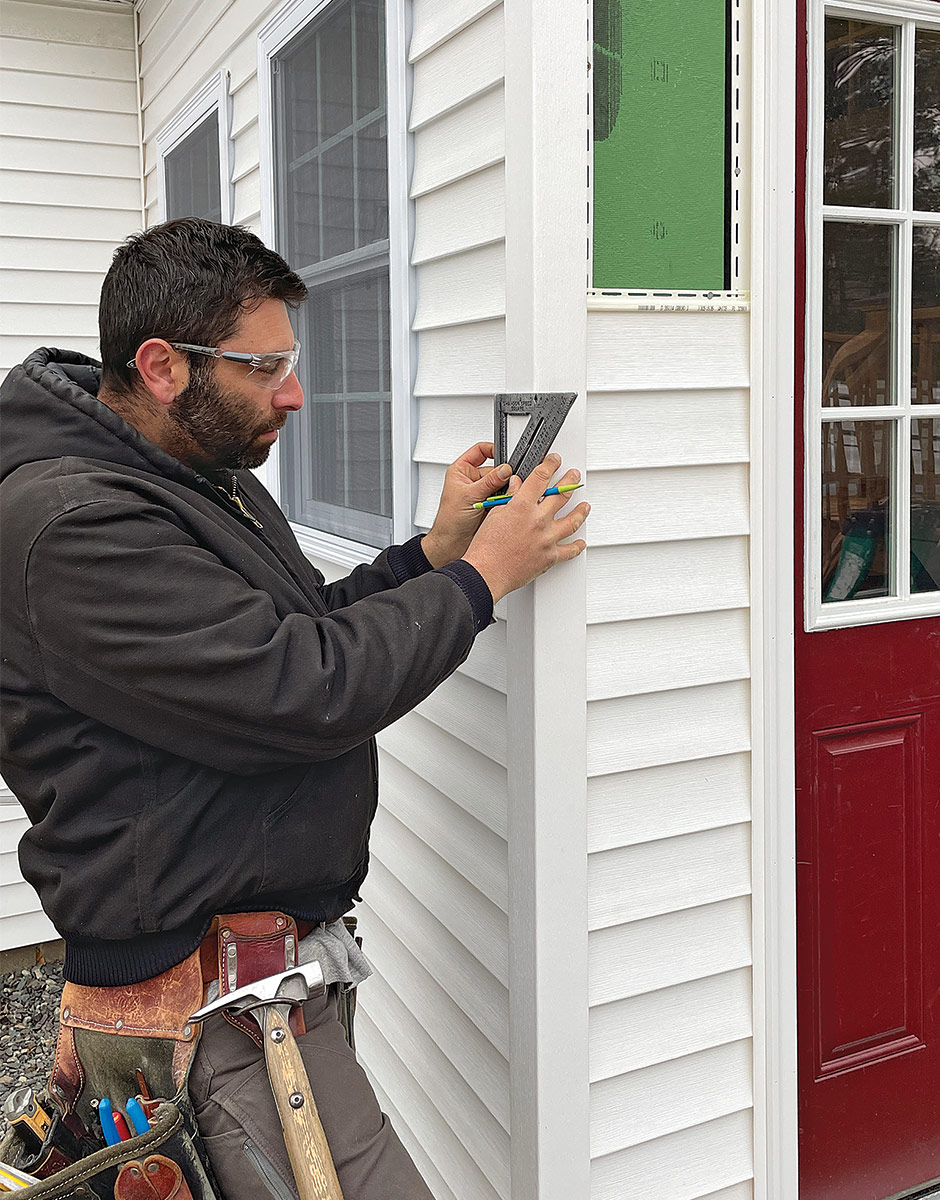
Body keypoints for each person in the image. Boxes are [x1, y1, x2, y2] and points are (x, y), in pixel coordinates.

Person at [0, 218, 588, 1199]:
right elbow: (303, 689)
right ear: (162, 367)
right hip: (208, 1005)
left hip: (263, 978)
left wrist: (434, 555)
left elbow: (301, 629)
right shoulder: (76, 524)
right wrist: (482, 577)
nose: (294, 393)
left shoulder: (194, 475)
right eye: (263, 367)